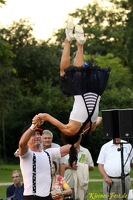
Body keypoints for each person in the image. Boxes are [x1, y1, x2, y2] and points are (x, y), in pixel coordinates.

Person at [32, 21, 110, 166]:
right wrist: (38, 118)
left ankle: (80, 44)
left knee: (79, 71)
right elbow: (47, 116)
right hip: (83, 93)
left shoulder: (89, 130)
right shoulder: (68, 129)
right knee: (65, 73)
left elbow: (99, 118)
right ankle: (68, 40)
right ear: (67, 135)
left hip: (96, 89)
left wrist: (91, 124)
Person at [18, 121, 81, 200]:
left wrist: (80, 130)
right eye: (33, 134)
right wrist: (33, 126)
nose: (37, 136)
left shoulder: (48, 153)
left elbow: (73, 146)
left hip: (48, 196)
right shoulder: (26, 154)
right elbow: (22, 144)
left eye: (38, 134)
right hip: (32, 197)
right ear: (27, 137)